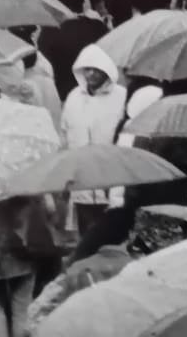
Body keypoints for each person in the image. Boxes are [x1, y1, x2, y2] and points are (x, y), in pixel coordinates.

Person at [60, 44, 128, 236]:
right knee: (86, 234)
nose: (90, 74)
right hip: (82, 182)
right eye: (86, 69)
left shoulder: (121, 97)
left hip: (113, 180)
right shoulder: (74, 97)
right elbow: (65, 134)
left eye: (95, 69)